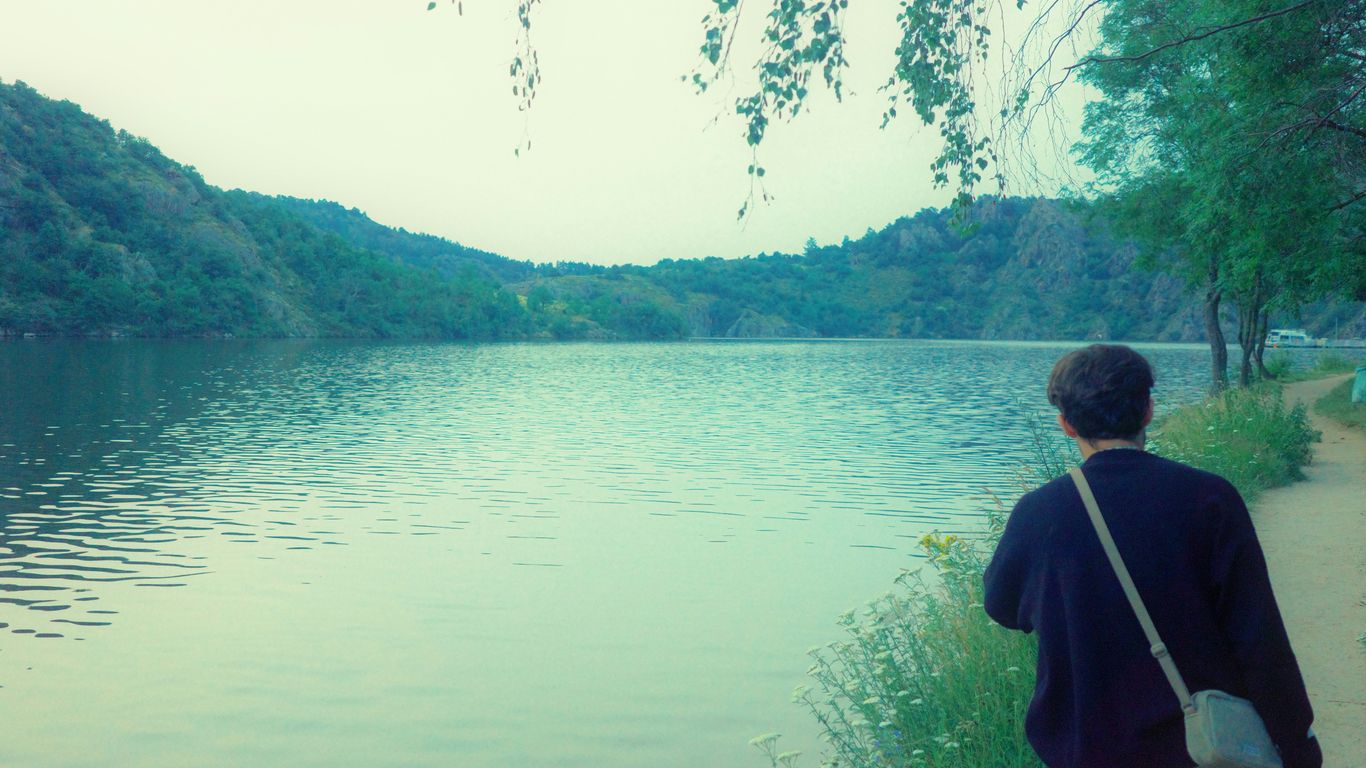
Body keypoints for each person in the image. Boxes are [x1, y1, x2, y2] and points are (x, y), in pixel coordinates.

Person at [983, 344, 1322, 768]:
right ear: (1148, 410)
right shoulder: (1210, 498)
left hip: (1086, 748)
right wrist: (1295, 738)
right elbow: (1258, 637)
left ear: (1066, 425)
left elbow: (1002, 607)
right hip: (1198, 747)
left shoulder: (1038, 512)